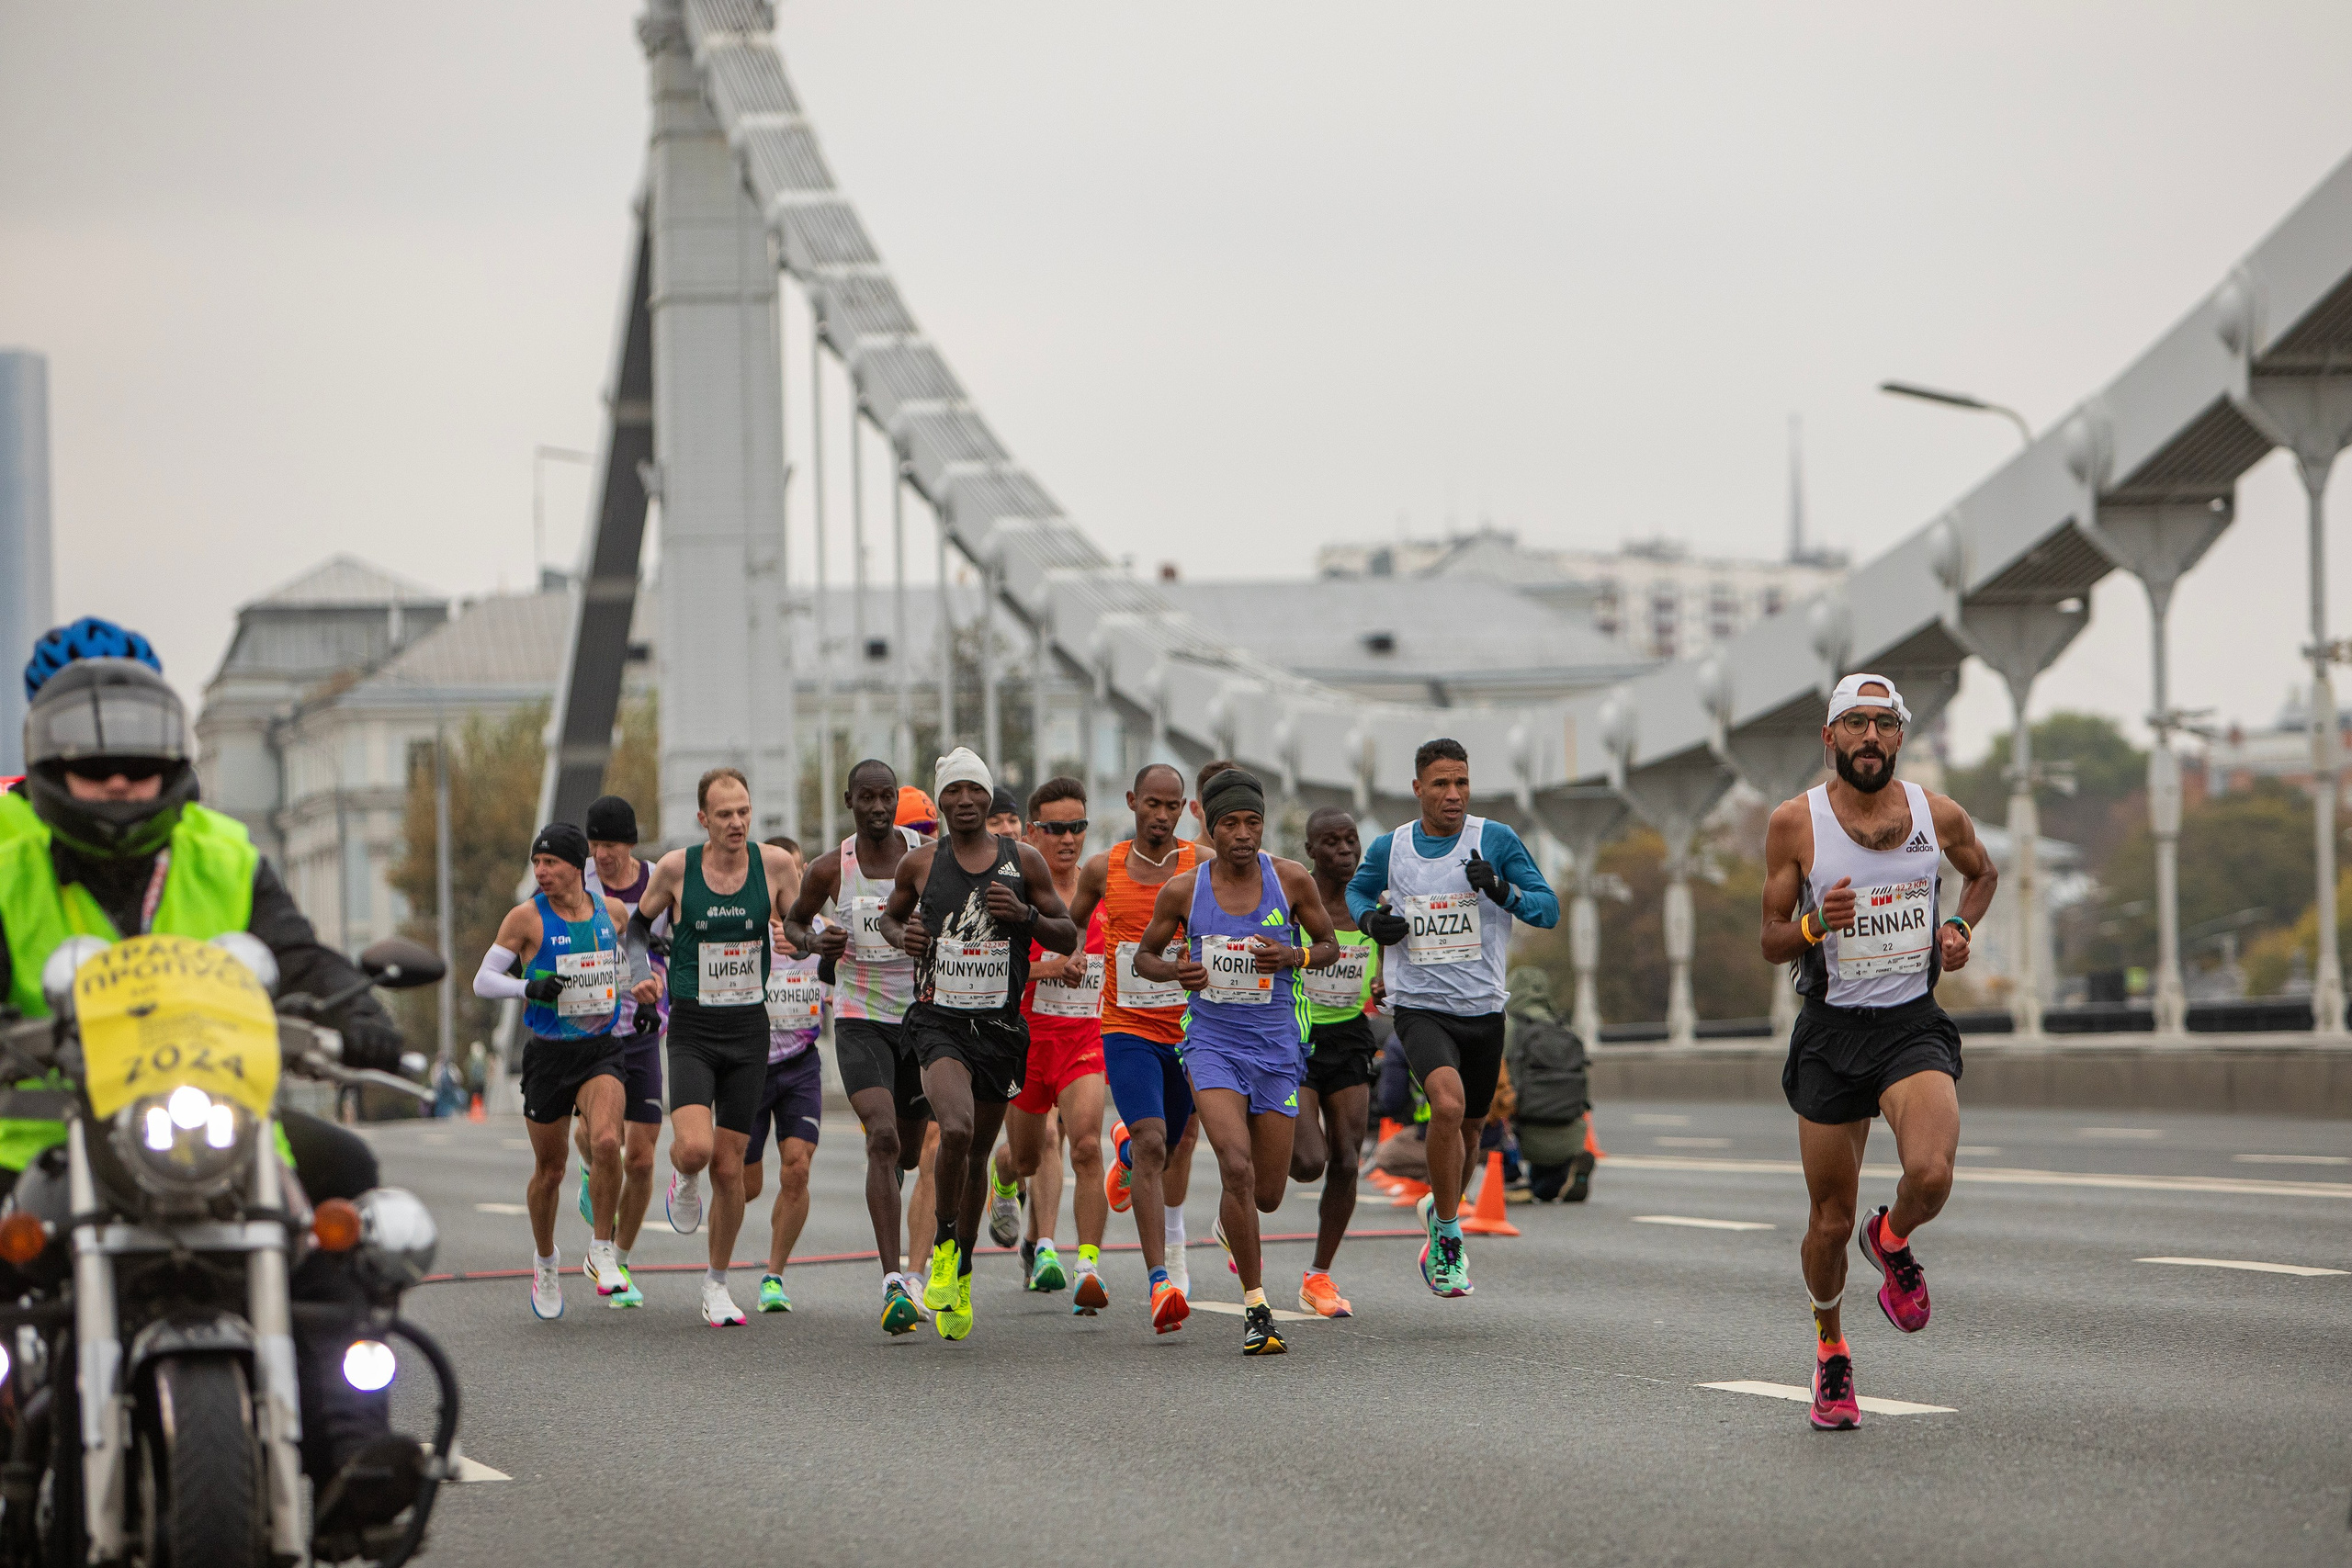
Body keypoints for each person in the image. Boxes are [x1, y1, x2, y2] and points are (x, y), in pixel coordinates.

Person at [0, 630, 424, 1532]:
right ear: (51, 770)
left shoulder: (223, 853)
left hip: (213, 1122)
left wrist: (361, 1011)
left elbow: (298, 952)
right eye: (96, 770)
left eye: (141, 767)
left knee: (336, 1193)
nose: (121, 783)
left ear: (174, 768)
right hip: (49, 1132)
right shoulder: (9, 865)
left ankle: (352, 1449)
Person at [1759, 674, 1996, 1431]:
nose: (1870, 736)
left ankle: (1890, 1238)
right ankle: (1831, 1348)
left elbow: (1983, 872)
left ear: (1900, 735)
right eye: (1856, 723)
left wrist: (1959, 928)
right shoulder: (1794, 823)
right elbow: (1770, 938)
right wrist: (1812, 926)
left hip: (1909, 1026)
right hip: (1831, 1032)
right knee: (1828, 1221)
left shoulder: (1936, 814)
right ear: (1829, 737)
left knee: (1931, 1173)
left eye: (1884, 723)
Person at [1134, 767, 1336, 1355]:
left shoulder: (1291, 880)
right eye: (1230, 824)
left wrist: (1293, 956)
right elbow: (1145, 957)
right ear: (1211, 826)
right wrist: (1176, 971)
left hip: (1275, 1048)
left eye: (1253, 822)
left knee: (1266, 1193)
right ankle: (1257, 1307)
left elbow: (1328, 947)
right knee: (1236, 1166)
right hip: (1212, 1045)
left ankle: (1233, 1221)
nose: (1242, 834)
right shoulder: (1184, 890)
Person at [877, 748, 1078, 1341]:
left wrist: (1024, 916)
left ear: (989, 798)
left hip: (999, 1029)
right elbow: (890, 920)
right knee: (957, 1129)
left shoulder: (1024, 861)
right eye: (953, 791)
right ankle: (943, 1245)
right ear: (941, 800)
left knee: (976, 1158)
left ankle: (961, 1269)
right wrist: (904, 936)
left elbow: (1066, 933)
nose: (965, 800)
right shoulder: (920, 863)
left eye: (975, 790)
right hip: (938, 1021)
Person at [1348, 738, 1558, 1299]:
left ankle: (1439, 1212)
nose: (1453, 794)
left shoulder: (1495, 840)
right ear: (1418, 788)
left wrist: (1502, 890)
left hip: (1483, 1009)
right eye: (1441, 784)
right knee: (1447, 1104)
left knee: (1471, 1130)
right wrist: (1370, 922)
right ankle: (1446, 1235)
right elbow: (1357, 891)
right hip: (1419, 1006)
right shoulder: (1392, 848)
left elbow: (1548, 908)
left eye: (1462, 782)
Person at [628, 767, 802, 1326]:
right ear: (703, 818)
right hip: (694, 1030)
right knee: (697, 1150)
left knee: (731, 1169)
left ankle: (717, 1283)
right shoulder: (676, 869)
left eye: (744, 811)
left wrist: (797, 940)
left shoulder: (775, 865)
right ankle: (683, 1176)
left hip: (749, 1029)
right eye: (724, 814)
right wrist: (641, 973)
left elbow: (803, 929)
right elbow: (637, 929)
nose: (736, 822)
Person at [781, 759, 933, 1334]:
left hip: (920, 1017)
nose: (877, 808)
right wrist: (815, 942)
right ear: (849, 801)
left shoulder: (925, 857)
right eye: (866, 798)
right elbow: (794, 924)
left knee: (910, 1154)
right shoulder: (830, 869)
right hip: (859, 1016)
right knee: (883, 1137)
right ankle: (893, 1281)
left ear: (896, 798)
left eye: (886, 796)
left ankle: (895, 1200)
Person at [472, 823, 639, 1318]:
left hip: (600, 1048)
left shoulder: (612, 912)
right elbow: (484, 980)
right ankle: (546, 1262)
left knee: (606, 1141)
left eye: (551, 863)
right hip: (548, 1054)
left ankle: (602, 1249)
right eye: (536, 863)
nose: (541, 872)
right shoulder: (526, 918)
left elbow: (629, 954)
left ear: (576, 866)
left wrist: (644, 988)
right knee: (551, 1171)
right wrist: (528, 987)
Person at [1064, 761, 1204, 1333]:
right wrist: (1074, 952)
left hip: (1190, 1031)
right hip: (1126, 1029)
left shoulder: (1201, 865)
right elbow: (1071, 923)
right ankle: (1159, 1281)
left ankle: (1123, 1158)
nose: (1162, 816)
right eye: (1152, 804)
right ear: (1132, 802)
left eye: (1172, 806)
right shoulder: (1105, 868)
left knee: (1173, 1142)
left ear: (1184, 809)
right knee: (1152, 1143)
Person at [986, 776, 1111, 1307]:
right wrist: (1050, 968)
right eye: (1056, 828)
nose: (1068, 838)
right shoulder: (1014, 894)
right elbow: (995, 970)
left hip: (1083, 1041)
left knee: (1085, 1145)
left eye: (1077, 826)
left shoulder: (1101, 890)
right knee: (1028, 1158)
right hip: (1026, 1043)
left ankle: (1087, 1267)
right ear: (1032, 833)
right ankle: (1003, 1180)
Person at [1287, 806, 1381, 1316]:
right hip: (1295, 1035)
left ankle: (1318, 1275)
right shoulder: (1294, 902)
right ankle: (1250, 1172)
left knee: (1346, 1159)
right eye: (1332, 842)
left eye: (1351, 840)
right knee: (1308, 1163)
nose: (1345, 851)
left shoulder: (1372, 905)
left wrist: (1386, 983)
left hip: (1348, 1035)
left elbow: (1390, 962)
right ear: (1311, 851)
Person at [574, 793, 661, 1308]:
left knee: (643, 1159)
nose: (603, 854)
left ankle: (619, 1260)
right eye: (596, 844)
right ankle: (591, 1171)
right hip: (591, 1034)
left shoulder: (655, 882)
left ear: (630, 844)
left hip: (643, 1028)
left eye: (612, 845)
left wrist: (661, 988)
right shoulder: (576, 881)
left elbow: (672, 945)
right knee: (601, 1138)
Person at [743, 860, 822, 1314]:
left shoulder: (820, 933)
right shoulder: (741, 931)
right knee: (745, 1185)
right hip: (748, 1068)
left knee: (797, 1168)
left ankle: (773, 1276)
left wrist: (810, 946)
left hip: (799, 1065)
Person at [1502, 966, 1593, 1202]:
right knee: (1546, 1191)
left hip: (1520, 1132)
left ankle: (1513, 1180)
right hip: (1569, 1133)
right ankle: (1566, 1175)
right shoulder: (1563, 1027)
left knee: (1483, 1112)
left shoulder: (1509, 1028)